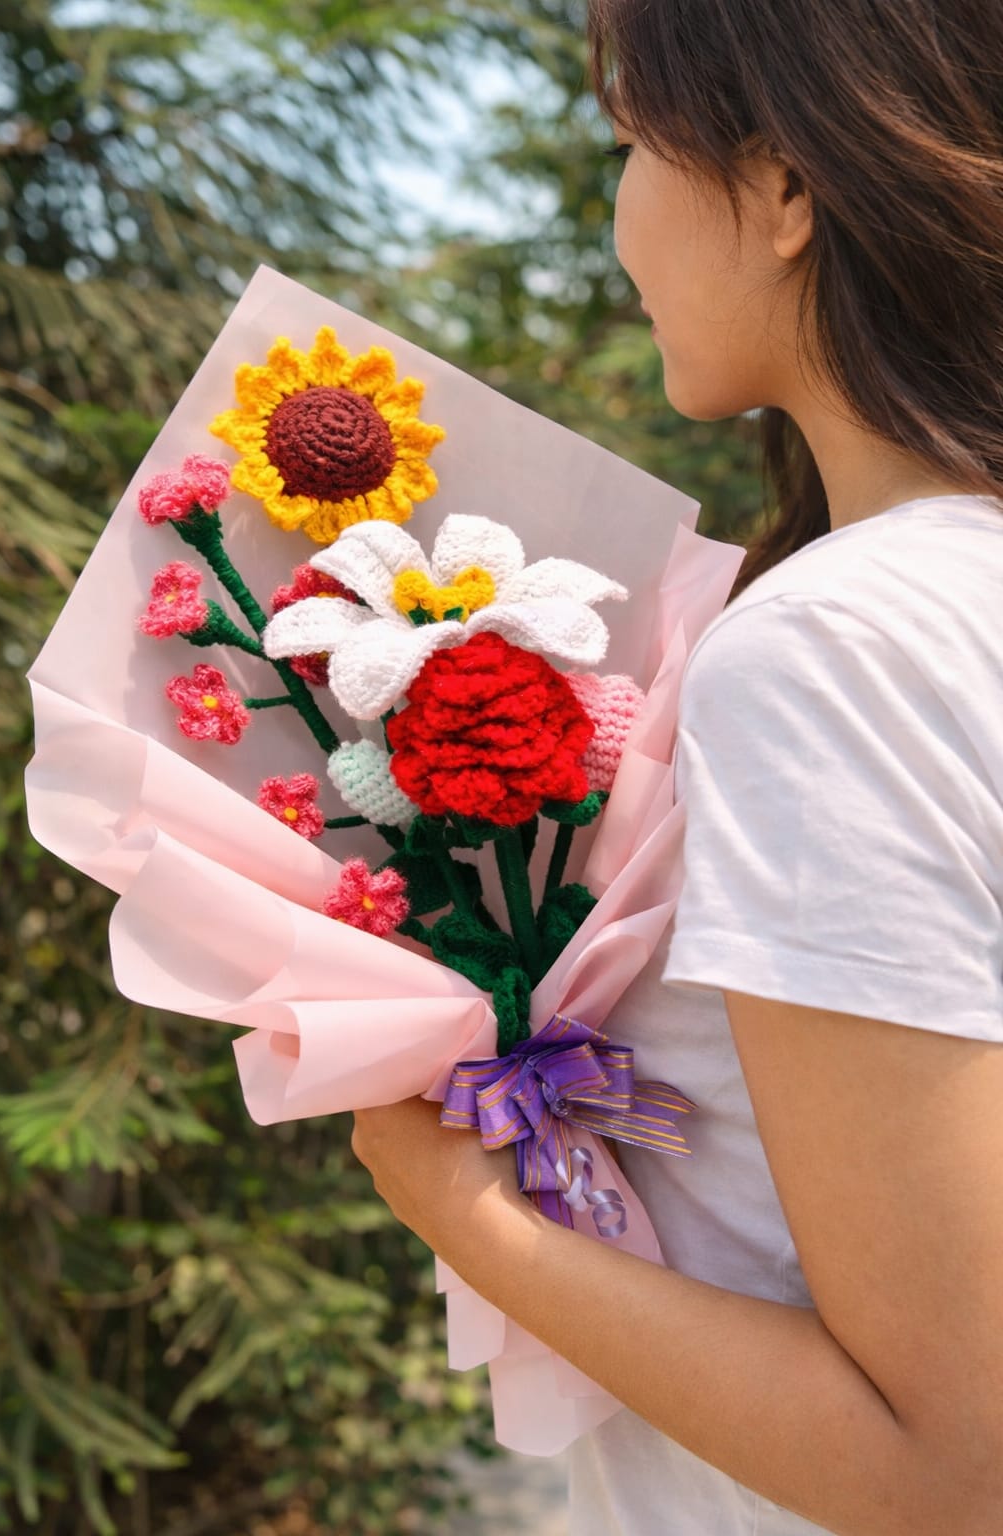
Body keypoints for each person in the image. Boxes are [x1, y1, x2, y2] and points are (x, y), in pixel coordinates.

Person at [351, 1, 1003, 1531]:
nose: (620, 209)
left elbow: (957, 1466)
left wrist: (467, 1212)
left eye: (633, 143)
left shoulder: (835, 650)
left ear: (785, 188)